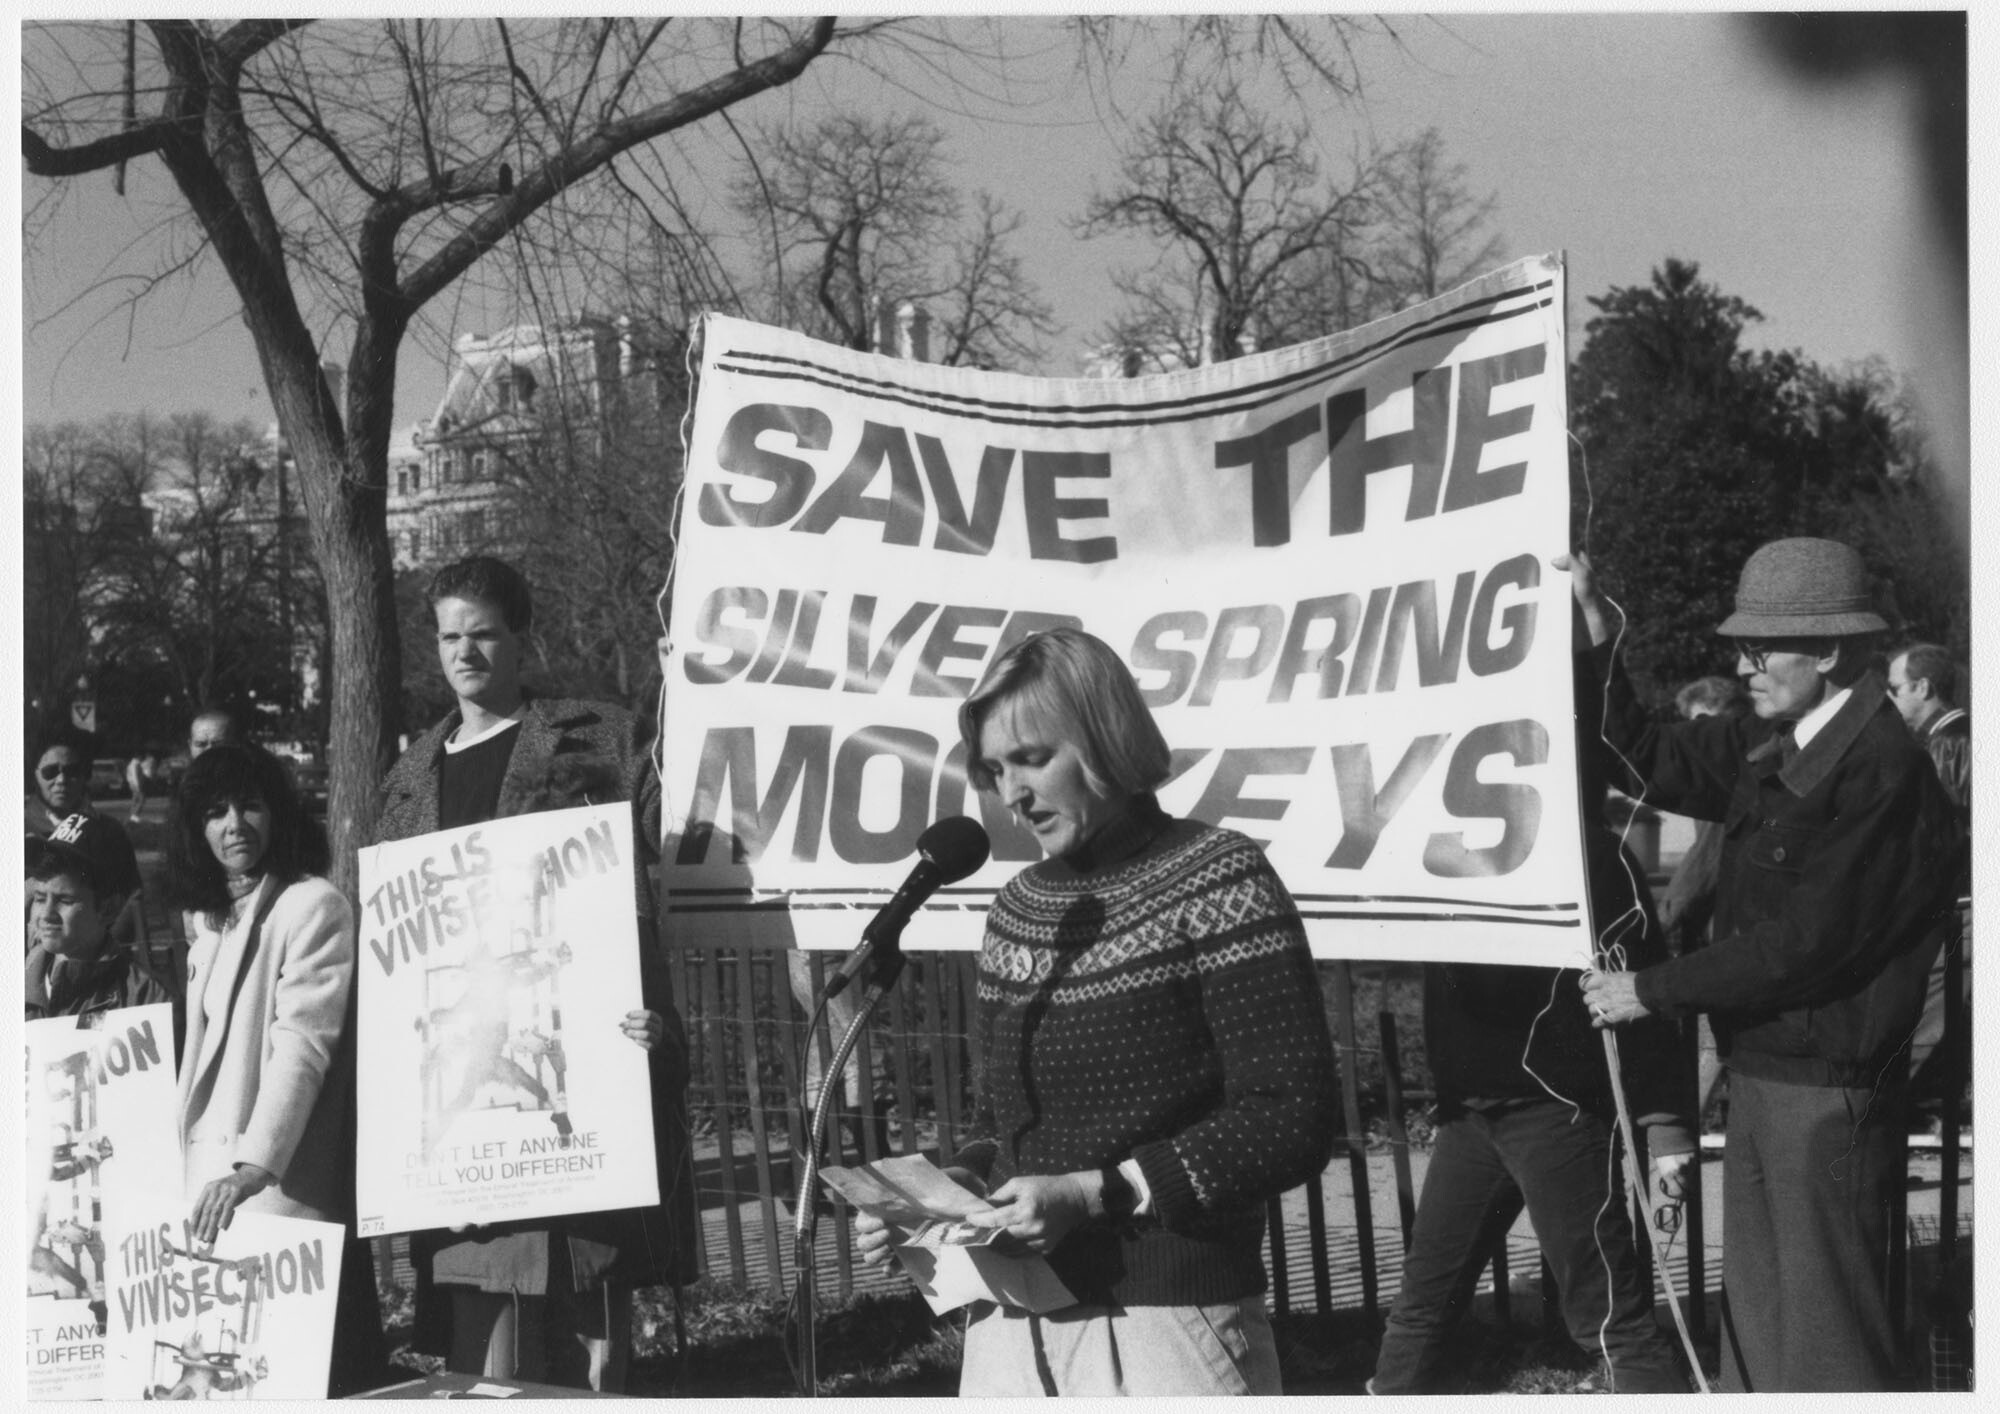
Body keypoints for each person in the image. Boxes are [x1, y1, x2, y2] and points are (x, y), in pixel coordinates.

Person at [854, 627, 1339, 1396]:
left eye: (1033, 758)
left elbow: (1293, 1115)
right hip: (1009, 1325)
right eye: (995, 769)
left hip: (1164, 1322)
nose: (1012, 793)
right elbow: (1002, 1127)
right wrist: (938, 1197)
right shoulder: (1018, 908)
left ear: (1104, 736)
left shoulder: (1218, 877)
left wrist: (1097, 1191)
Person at [1574, 538, 1962, 1392]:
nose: (1743, 664)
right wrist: (1599, 634)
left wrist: (1649, 989)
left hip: (1826, 1089)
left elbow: (1807, 942)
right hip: (1767, 1070)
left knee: (1826, 1340)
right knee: (1758, 1327)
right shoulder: (1775, 740)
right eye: (1739, 648)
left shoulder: (1883, 770)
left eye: (1760, 648)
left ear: (1827, 652)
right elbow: (1639, 750)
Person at [374, 555, 696, 1392]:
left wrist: (691, 683)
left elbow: (670, 837)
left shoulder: (599, 734)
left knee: (596, 1342)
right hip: (468, 1098)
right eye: (450, 636)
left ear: (521, 640)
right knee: (489, 1350)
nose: (465, 653)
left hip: (582, 1077)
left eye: (484, 634)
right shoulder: (408, 780)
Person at [1369, 673, 1694, 1395]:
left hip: (1558, 1113)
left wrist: (1666, 1122)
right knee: (1422, 1304)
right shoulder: (1443, 851)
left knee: (1608, 1317)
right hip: (1471, 1114)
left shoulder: (1598, 859)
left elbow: (1646, 994)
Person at [168, 742, 385, 1394]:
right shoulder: (210, 924)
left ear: (279, 814)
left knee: (295, 1380)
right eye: (215, 811)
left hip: (278, 1193)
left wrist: (251, 1168)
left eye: (250, 805)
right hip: (212, 1198)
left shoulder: (313, 905)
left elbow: (304, 1046)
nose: (234, 823)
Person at [1657, 675, 1750, 1126]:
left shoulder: (1727, 773)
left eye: (1697, 723)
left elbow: (1705, 862)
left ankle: (1680, 1135)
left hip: (1728, 930)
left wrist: (1664, 917)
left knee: (1715, 1039)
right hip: (1729, 927)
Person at [1887, 643, 1972, 1103]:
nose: (1891, 698)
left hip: (1960, 905)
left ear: (1923, 687)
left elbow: (1936, 835)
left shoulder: (1948, 744)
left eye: (1895, 688)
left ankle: (1884, 1109)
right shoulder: (1963, 735)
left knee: (1927, 1009)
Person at [26, 812, 177, 1022]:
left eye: (65, 900)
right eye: (40, 898)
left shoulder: (146, 999)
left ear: (108, 909)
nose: (46, 915)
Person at [27, 725, 144, 958]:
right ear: (35, 773)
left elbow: (133, 898)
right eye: (51, 771)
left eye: (72, 771)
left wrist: (100, 949)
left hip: (99, 961)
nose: (61, 780)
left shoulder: (109, 831)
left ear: (85, 775)